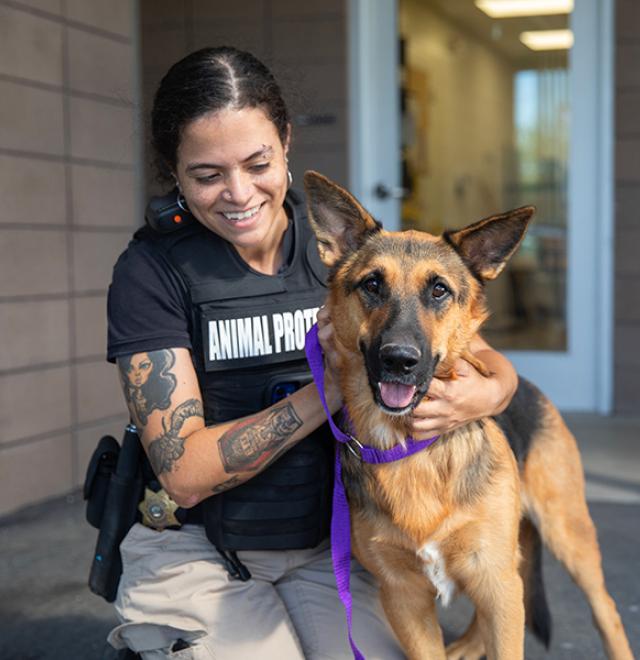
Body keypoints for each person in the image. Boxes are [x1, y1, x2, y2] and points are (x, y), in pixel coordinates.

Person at [105, 46, 518, 660]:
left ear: (286, 142)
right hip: (196, 548)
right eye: (207, 174)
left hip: (329, 545)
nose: (239, 193)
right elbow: (185, 475)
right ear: (174, 170)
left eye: (257, 162)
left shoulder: (348, 249)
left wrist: (491, 393)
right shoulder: (151, 272)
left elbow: (466, 343)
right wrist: (330, 386)